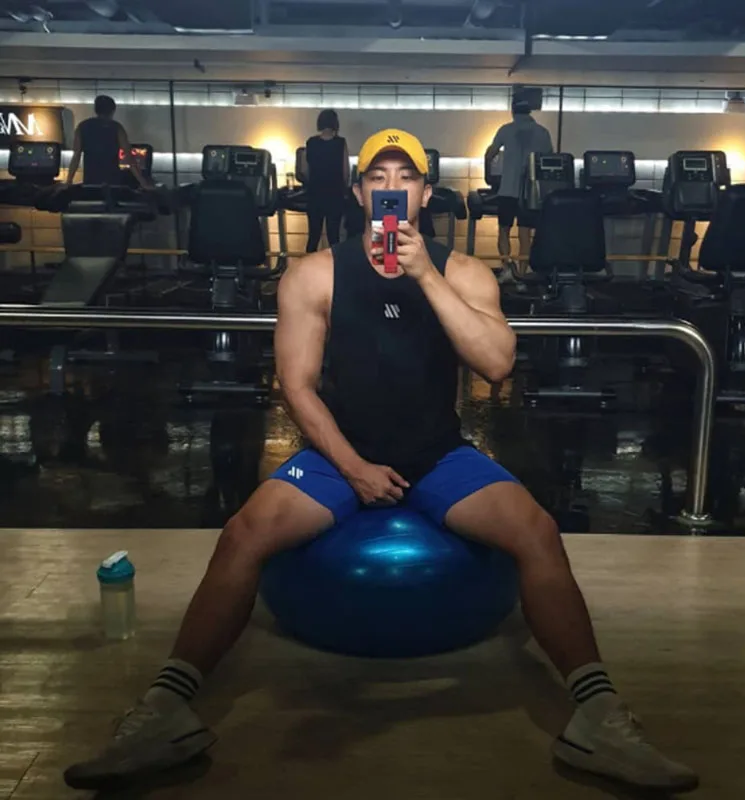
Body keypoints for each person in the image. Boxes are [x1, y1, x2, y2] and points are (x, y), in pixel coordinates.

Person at [63, 129, 698, 795]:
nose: (391, 187)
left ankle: (599, 719)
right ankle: (164, 711)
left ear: (425, 194)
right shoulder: (315, 274)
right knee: (244, 532)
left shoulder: (463, 272)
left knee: (536, 530)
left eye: (406, 177)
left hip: (437, 454)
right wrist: (353, 467)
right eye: (378, 177)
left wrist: (424, 274)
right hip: (341, 453)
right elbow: (297, 386)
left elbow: (497, 364)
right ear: (360, 191)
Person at [485, 97, 553, 283]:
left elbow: (490, 154)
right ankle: (522, 274)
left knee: (504, 231)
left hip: (508, 189)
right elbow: (549, 159)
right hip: (530, 192)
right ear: (530, 112)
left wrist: (491, 167)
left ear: (513, 112)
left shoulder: (506, 130)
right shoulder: (543, 132)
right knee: (525, 234)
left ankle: (507, 269)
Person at [65, 95, 150, 190]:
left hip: (91, 181)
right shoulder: (117, 128)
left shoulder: (82, 127)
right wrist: (143, 183)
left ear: (96, 109)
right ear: (113, 110)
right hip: (112, 181)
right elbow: (129, 157)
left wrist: (69, 181)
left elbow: (76, 156)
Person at [304, 109, 349, 252]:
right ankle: (335, 264)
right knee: (333, 236)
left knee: (313, 236)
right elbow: (345, 171)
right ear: (335, 123)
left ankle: (307, 263)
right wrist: (345, 189)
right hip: (334, 195)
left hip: (315, 194)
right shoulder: (340, 143)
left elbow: (306, 170)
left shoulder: (311, 142)